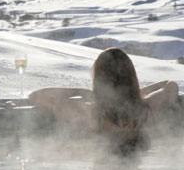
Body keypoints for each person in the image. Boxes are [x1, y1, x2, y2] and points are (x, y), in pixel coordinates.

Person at [29, 47, 180, 139]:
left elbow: (36, 97)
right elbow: (171, 85)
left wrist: (79, 91)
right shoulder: (149, 108)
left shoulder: (92, 114)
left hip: (104, 166)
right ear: (131, 76)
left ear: (99, 79)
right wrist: (137, 93)